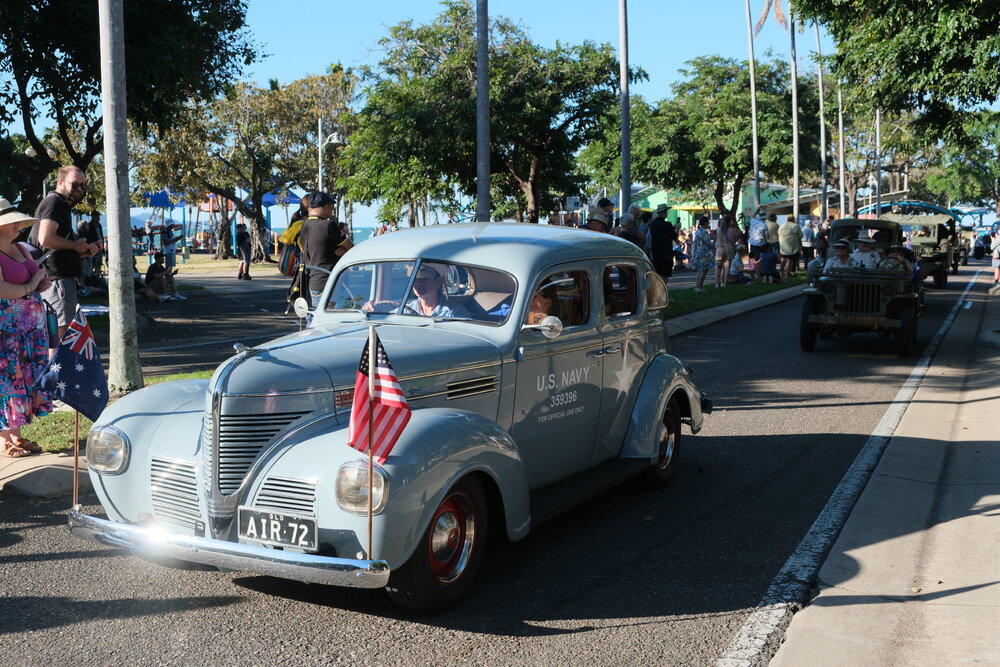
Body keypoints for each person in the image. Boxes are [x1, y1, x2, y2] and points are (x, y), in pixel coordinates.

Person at [0, 199, 53, 457]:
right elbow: (2, 289)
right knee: (7, 380)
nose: (18, 225)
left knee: (22, 379)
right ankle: (5, 440)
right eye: (12, 222)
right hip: (5, 332)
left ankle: (16, 437)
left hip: (30, 331)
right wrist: (31, 286)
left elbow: (30, 277)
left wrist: (40, 284)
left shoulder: (20, 248)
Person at [29, 165, 98, 348]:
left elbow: (57, 244)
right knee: (60, 333)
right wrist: (75, 245)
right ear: (60, 182)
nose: (80, 190)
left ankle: (54, 374)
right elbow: (46, 238)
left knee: (57, 333)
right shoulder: (55, 203)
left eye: (83, 186)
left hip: (55, 278)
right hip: (57, 280)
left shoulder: (59, 204)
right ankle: (55, 375)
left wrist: (81, 250)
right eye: (75, 185)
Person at [298, 191, 354, 304]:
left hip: (314, 281)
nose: (331, 211)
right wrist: (343, 250)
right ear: (326, 206)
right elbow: (351, 248)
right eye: (331, 207)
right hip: (331, 282)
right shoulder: (328, 225)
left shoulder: (304, 226)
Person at [405, 264, 470, 318]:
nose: (417, 283)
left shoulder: (456, 313)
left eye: (423, 279)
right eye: (414, 279)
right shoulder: (404, 310)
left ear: (439, 281)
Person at [646, 203, 677, 280]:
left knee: (657, 276)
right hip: (666, 254)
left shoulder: (652, 224)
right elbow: (675, 237)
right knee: (664, 277)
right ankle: (662, 291)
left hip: (655, 254)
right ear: (664, 212)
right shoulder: (668, 225)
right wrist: (677, 229)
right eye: (666, 211)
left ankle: (656, 291)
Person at [690, 216, 715, 292]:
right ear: (705, 223)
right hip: (704, 253)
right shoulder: (704, 232)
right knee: (704, 270)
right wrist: (716, 244)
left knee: (701, 270)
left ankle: (697, 286)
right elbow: (708, 243)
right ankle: (699, 287)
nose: (709, 223)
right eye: (708, 222)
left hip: (698, 252)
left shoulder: (698, 231)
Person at [714, 214, 739, 287]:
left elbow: (716, 239)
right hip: (729, 248)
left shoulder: (718, 230)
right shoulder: (732, 230)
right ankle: (724, 283)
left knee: (718, 268)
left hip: (719, 248)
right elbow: (734, 240)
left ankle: (717, 284)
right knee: (727, 267)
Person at [77, 211, 105, 277]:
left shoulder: (99, 225)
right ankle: (90, 277)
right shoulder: (90, 225)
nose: (99, 218)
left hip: (99, 246)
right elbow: (89, 238)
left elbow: (101, 235)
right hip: (93, 246)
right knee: (92, 263)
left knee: (99, 263)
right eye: (97, 216)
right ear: (93, 216)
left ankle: (97, 276)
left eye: (99, 216)